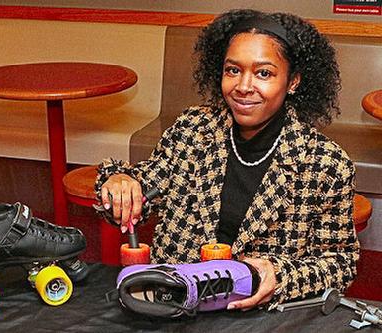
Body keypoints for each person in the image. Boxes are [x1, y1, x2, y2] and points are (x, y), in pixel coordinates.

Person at [94, 9, 359, 311]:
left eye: (264, 73)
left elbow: (339, 264)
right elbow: (141, 190)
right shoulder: (193, 130)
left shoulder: (325, 164)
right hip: (170, 307)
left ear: (293, 82)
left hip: (257, 317)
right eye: (233, 70)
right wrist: (120, 183)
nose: (243, 86)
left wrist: (277, 275)